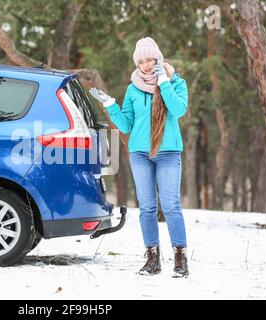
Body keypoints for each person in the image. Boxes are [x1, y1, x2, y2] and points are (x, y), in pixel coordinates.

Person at [89, 37, 189, 277]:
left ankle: (180, 258)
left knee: (171, 205)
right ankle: (152, 258)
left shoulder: (176, 82)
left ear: (158, 58)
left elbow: (179, 110)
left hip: (168, 152)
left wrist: (163, 83)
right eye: (141, 61)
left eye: (149, 60)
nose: (145, 65)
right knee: (146, 207)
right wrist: (110, 104)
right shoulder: (133, 88)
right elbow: (126, 125)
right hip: (140, 154)